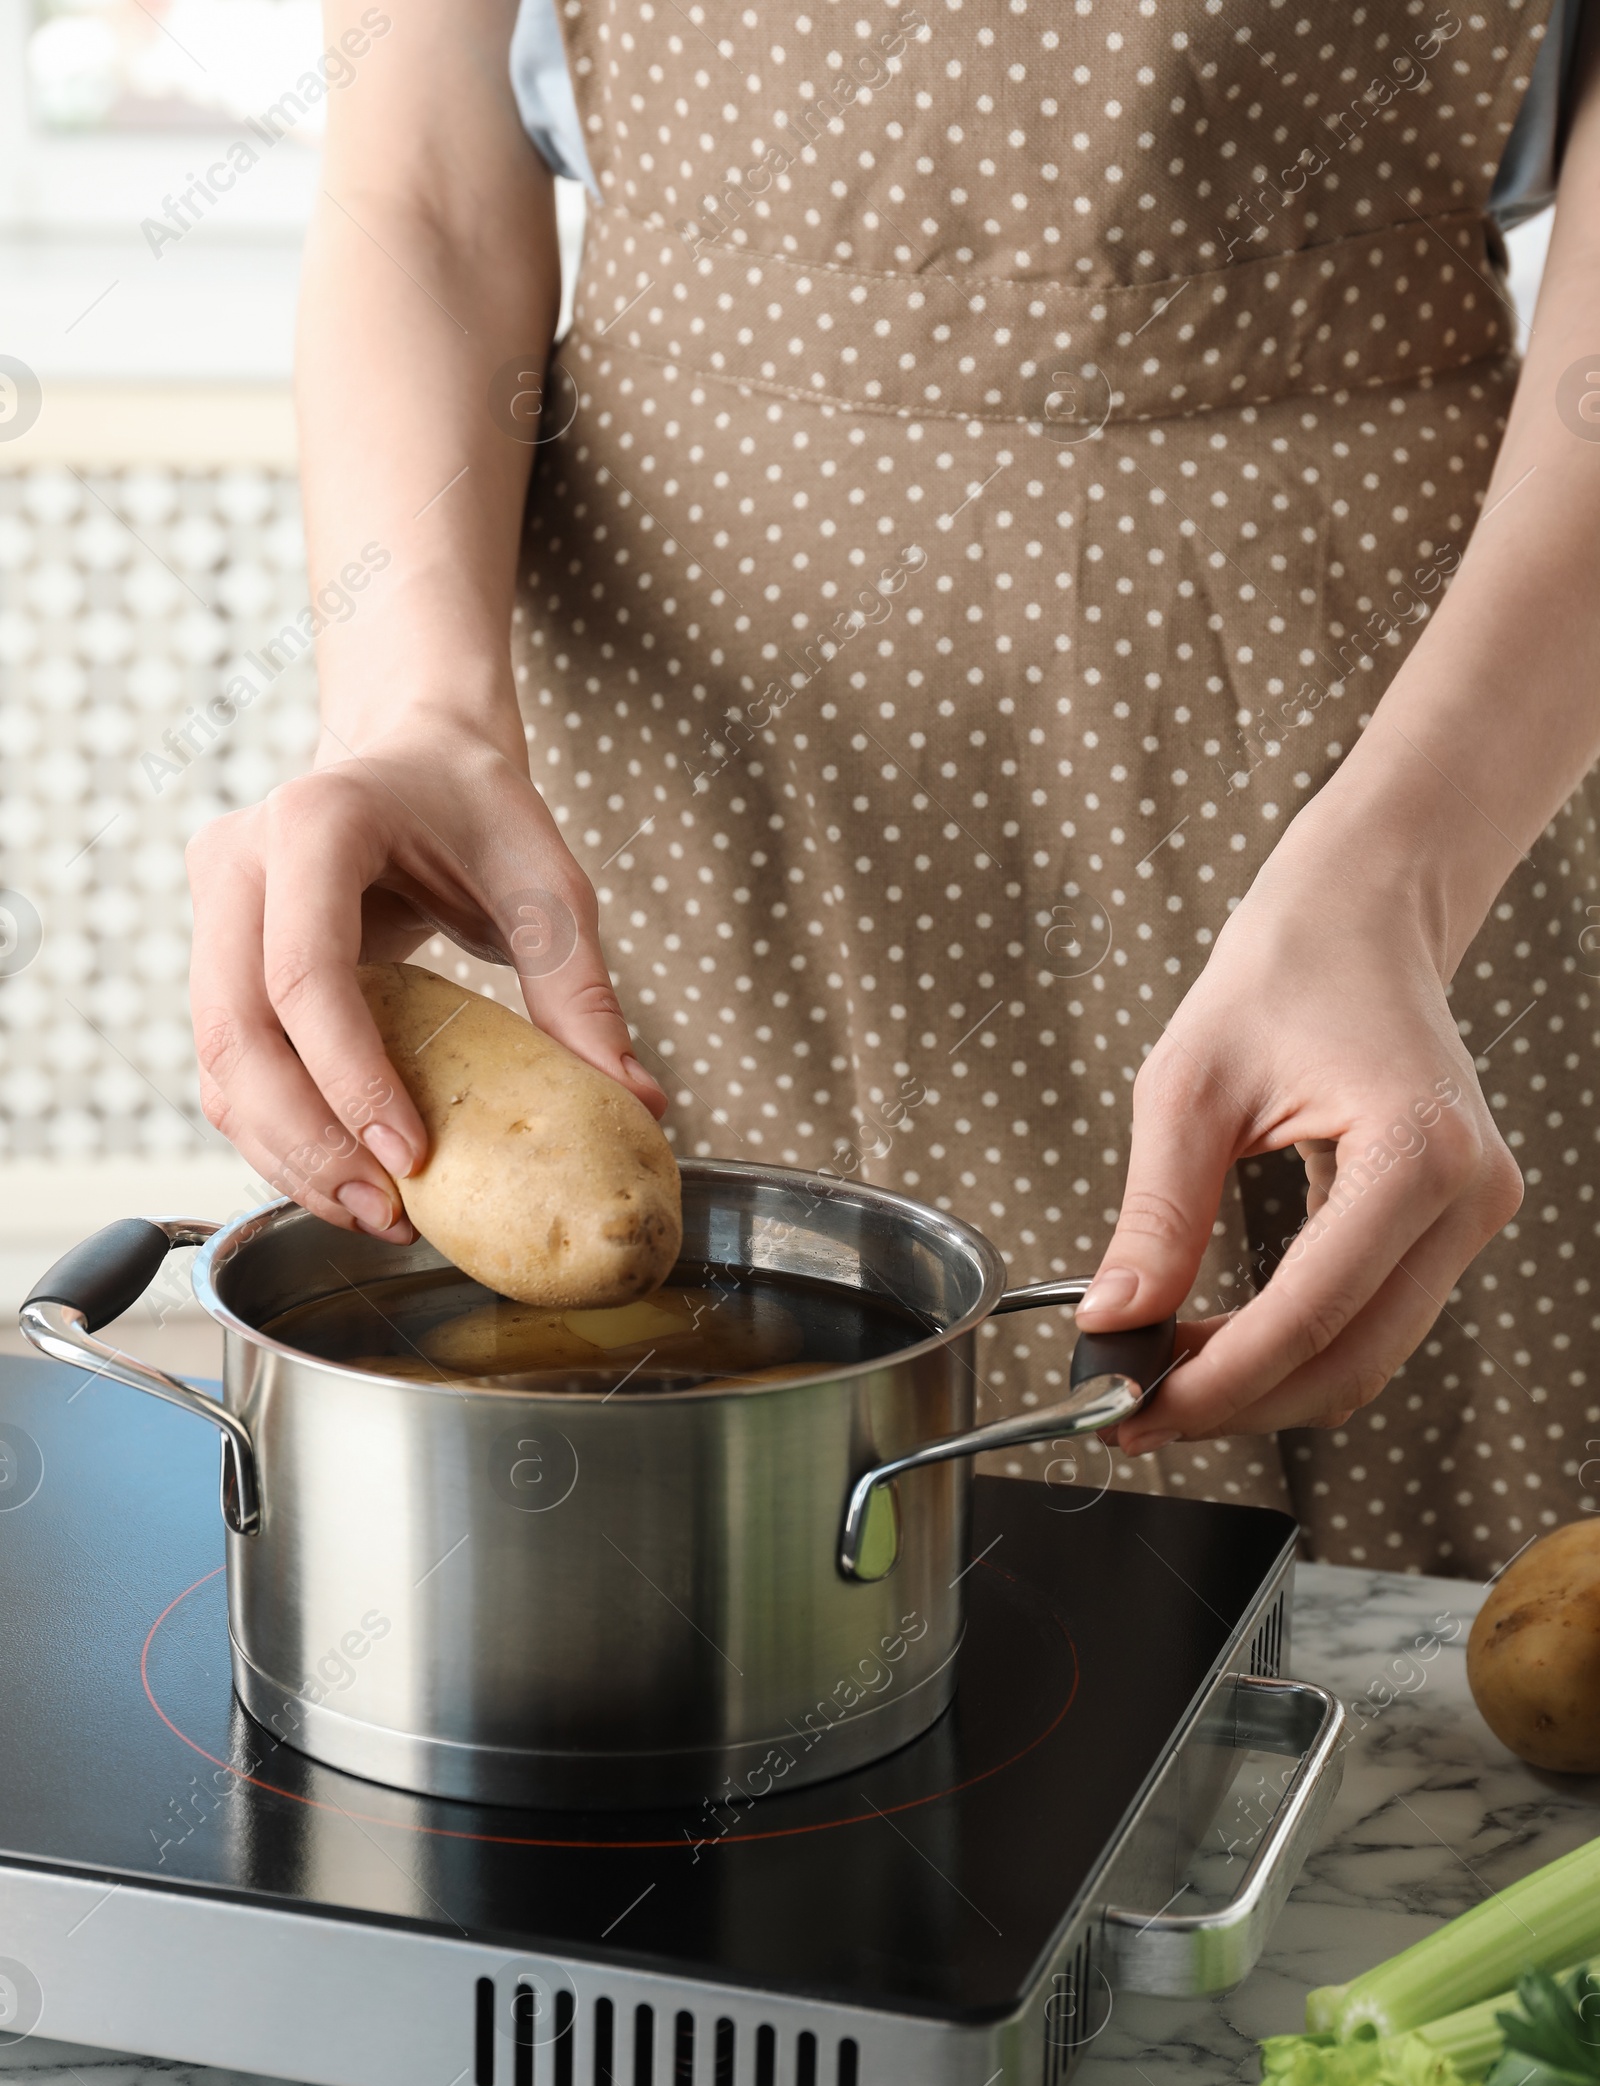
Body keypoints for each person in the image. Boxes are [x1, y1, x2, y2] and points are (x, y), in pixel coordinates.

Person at [186, 0, 1600, 1578]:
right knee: (653, 1612)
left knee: (1414, 1724)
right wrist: (412, 712)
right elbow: (425, 190)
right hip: (667, 790)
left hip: (1399, 755)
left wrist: (1404, 872)